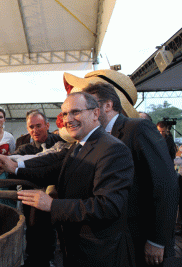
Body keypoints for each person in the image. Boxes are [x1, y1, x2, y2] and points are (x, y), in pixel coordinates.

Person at [17, 92, 135, 267]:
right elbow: (53, 171)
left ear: (96, 113)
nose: (68, 119)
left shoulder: (113, 150)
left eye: (75, 112)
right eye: (65, 114)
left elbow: (107, 206)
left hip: (98, 253)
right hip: (75, 249)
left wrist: (52, 205)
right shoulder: (78, 145)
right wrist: (15, 167)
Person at [79, 81, 178, 266]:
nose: (84, 113)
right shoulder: (99, 138)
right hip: (121, 240)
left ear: (107, 105)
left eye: (89, 106)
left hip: (145, 239)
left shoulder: (138, 129)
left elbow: (166, 185)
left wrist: (158, 239)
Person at [12, 109, 63, 267]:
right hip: (33, 201)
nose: (34, 130)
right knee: (34, 231)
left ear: (47, 125)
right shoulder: (23, 149)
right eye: (31, 127)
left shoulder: (60, 142)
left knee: (58, 232)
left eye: (38, 126)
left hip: (59, 198)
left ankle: (52, 258)